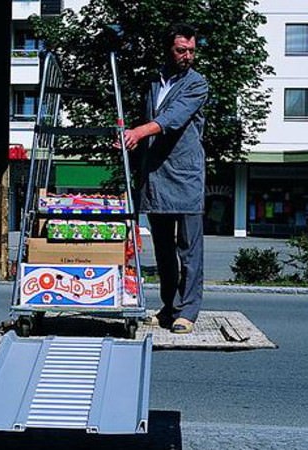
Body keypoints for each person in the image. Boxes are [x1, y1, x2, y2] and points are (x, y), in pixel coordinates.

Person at [122, 23, 209, 334]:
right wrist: (128, 137)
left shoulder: (197, 84)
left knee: (189, 248)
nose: (187, 56)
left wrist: (140, 131)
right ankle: (169, 306)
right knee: (163, 249)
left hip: (185, 177)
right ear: (168, 50)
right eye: (180, 50)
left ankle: (189, 310)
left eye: (191, 51)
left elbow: (173, 119)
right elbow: (142, 119)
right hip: (157, 176)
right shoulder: (153, 82)